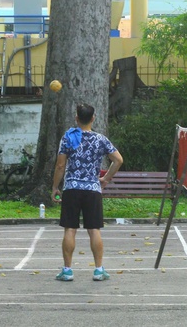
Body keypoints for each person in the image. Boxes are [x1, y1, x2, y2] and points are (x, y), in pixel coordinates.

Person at [51, 104, 123, 281]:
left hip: (72, 188)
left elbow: (60, 165)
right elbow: (118, 160)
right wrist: (106, 179)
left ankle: (67, 271)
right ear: (93, 118)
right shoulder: (101, 139)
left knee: (70, 228)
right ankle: (98, 270)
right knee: (94, 229)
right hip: (92, 189)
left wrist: (54, 187)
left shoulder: (68, 138)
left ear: (76, 118)